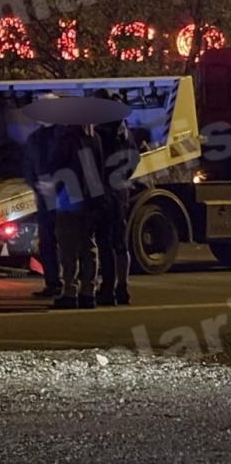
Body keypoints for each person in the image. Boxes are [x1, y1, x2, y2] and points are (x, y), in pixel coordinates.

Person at [47, 122, 104, 309]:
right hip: (90, 199)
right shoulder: (95, 138)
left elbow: (56, 167)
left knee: (68, 247)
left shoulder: (66, 139)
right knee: (88, 244)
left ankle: (70, 292)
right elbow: (99, 170)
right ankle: (88, 291)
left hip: (69, 198)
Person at [92, 89, 141, 306]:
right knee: (120, 243)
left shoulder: (101, 133)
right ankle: (123, 287)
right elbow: (134, 160)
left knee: (105, 241)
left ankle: (108, 289)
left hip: (105, 192)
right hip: (121, 190)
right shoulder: (125, 131)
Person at [22, 93, 62, 298]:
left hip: (66, 198)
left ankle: (74, 285)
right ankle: (53, 283)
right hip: (46, 199)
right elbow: (28, 166)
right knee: (47, 242)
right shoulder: (34, 139)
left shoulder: (65, 136)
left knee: (69, 242)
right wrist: (36, 186)